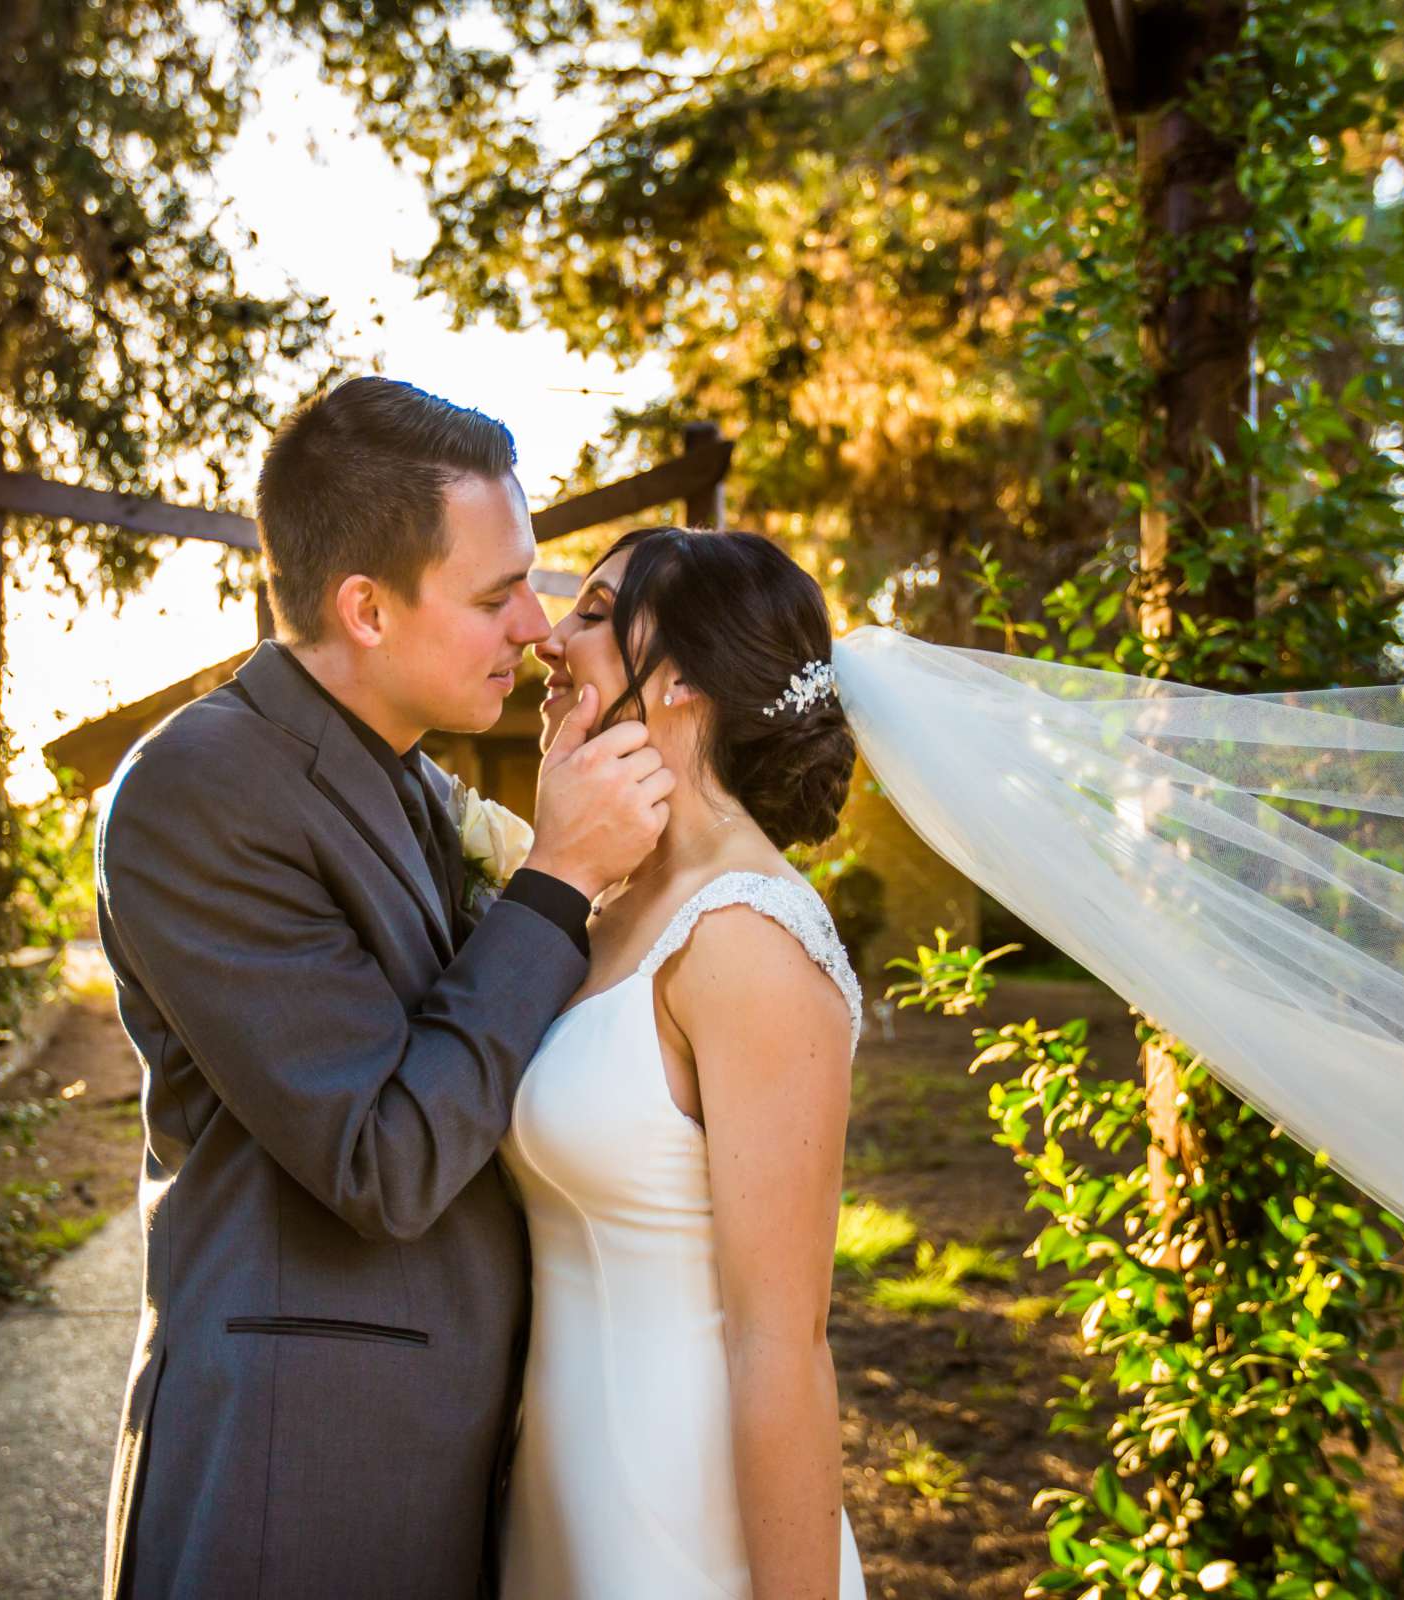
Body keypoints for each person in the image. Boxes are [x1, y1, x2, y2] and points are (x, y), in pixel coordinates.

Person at [94, 377, 673, 1600]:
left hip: (454, 1454)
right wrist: (560, 877)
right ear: (365, 606)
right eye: (494, 591)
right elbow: (383, 1155)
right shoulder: (200, 791)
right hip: (299, 1474)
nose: (536, 623)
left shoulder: (407, 780)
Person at [500, 526, 870, 1600]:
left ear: (684, 683)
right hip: (558, 1520)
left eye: (592, 612)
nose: (548, 642)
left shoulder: (751, 939)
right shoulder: (610, 908)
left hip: (685, 1537)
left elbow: (783, 1346)